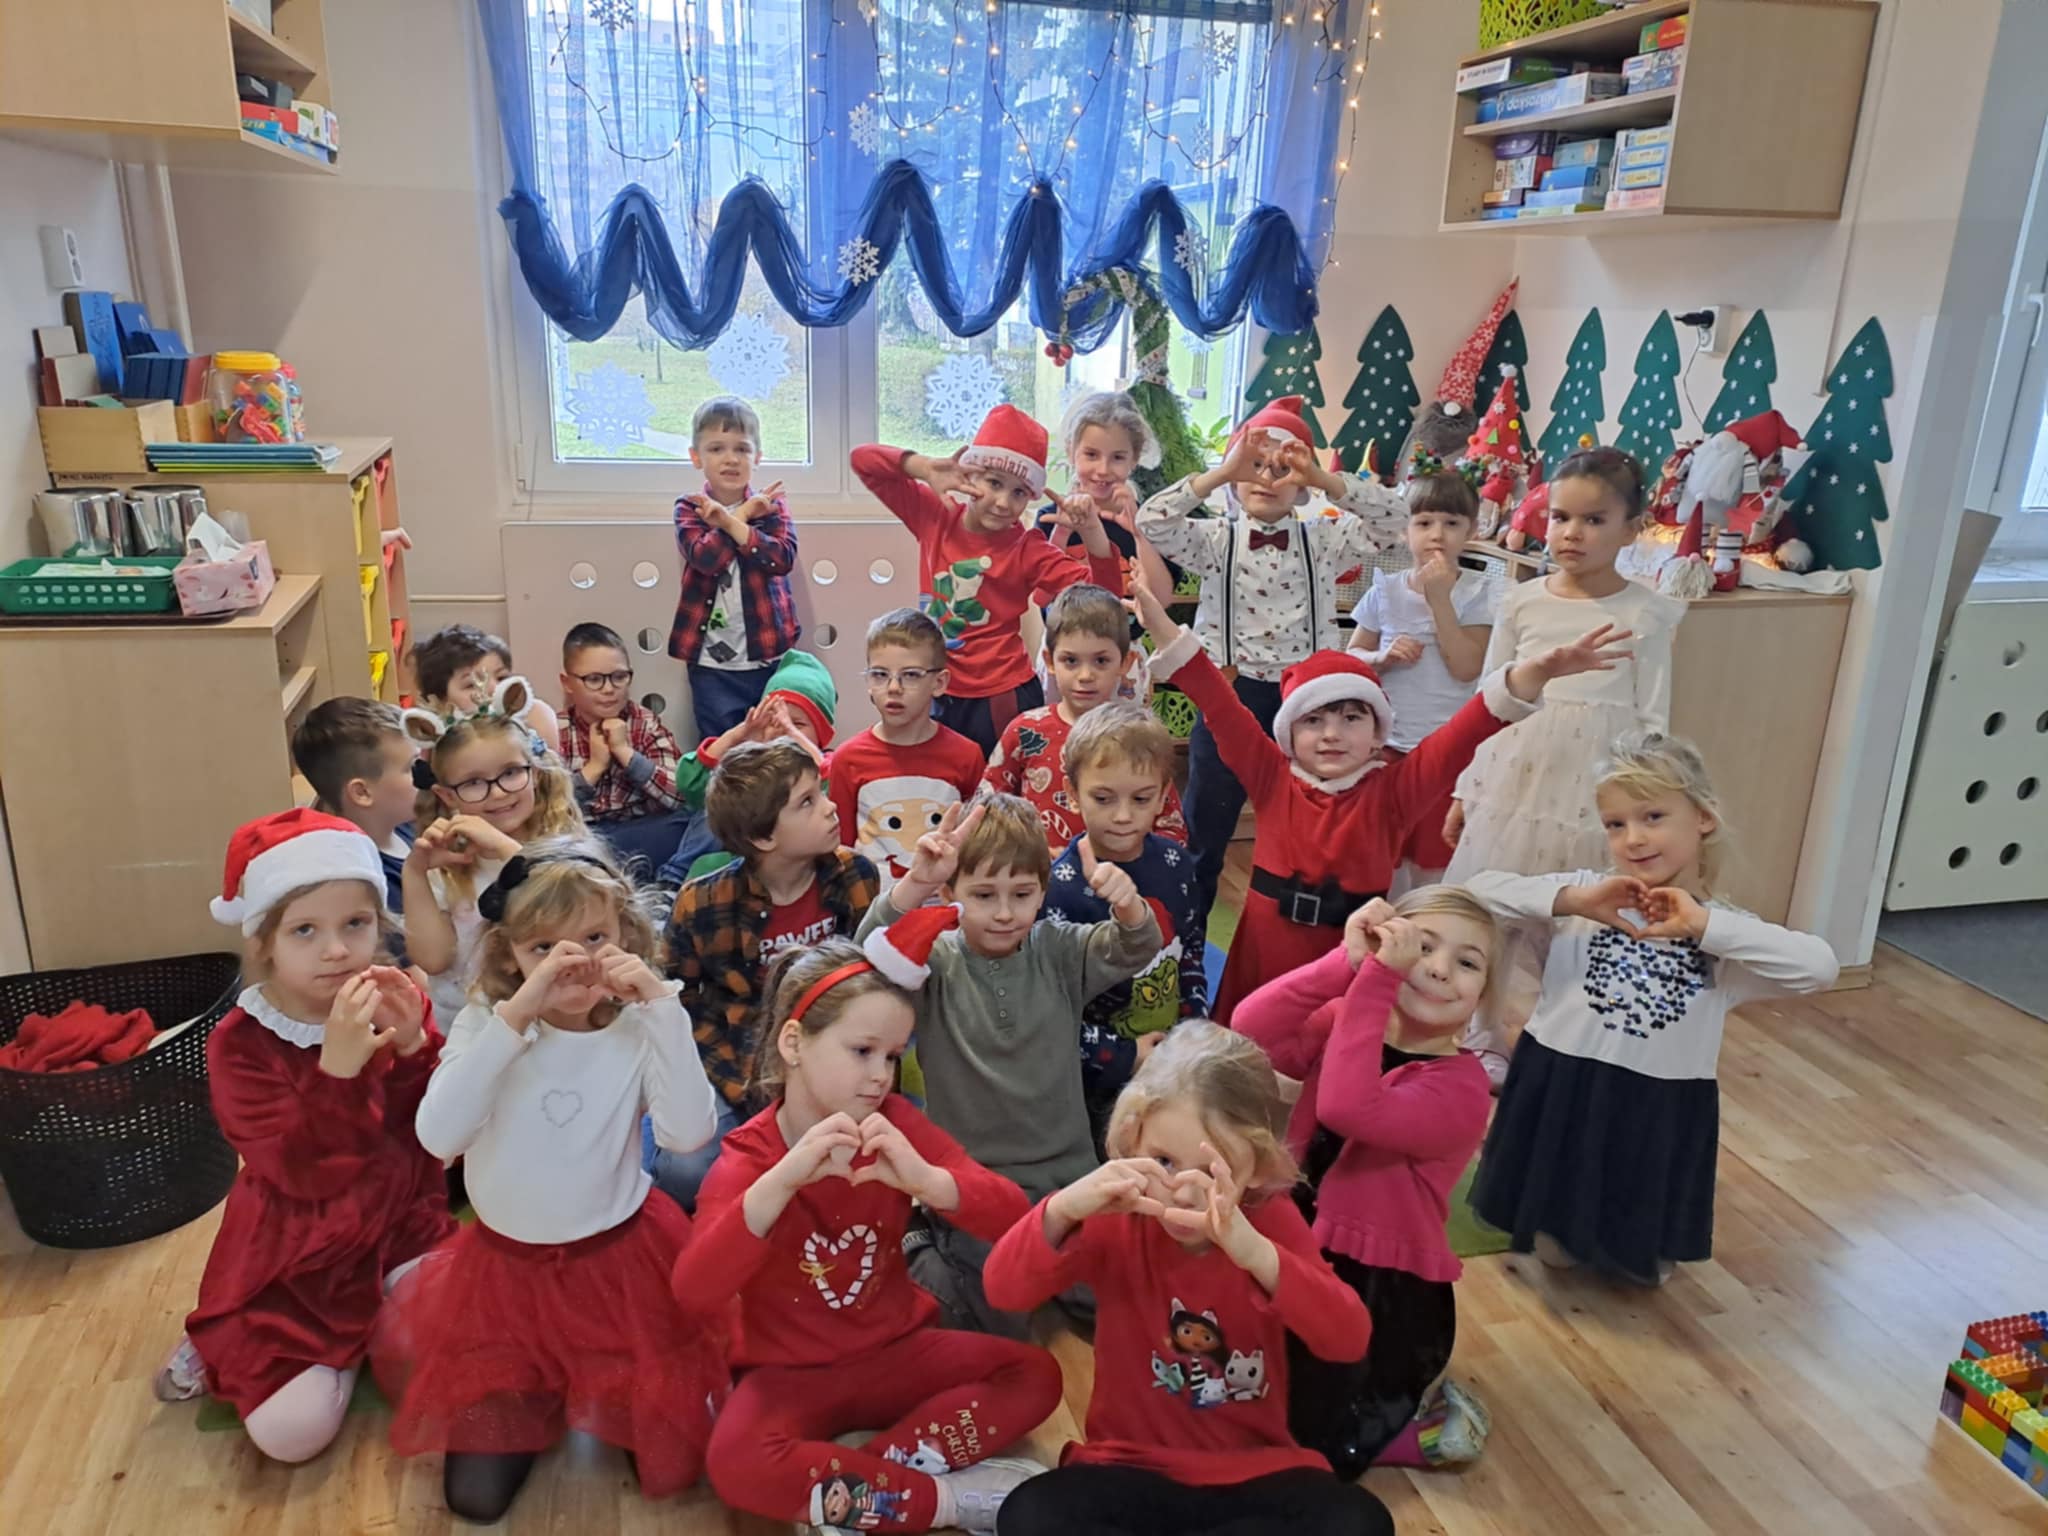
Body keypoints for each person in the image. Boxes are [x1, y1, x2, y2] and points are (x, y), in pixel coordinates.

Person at [376, 838, 724, 1521]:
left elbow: (688, 1135)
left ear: (625, 934)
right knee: (474, 1499)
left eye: (594, 937)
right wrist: (515, 1018)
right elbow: (439, 1139)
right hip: (507, 1280)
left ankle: (593, 1381)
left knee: (679, 1460)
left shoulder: (638, 1025)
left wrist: (662, 1008)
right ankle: (541, 1387)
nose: (574, 962)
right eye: (544, 948)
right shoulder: (487, 1023)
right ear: (511, 955)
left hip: (621, 1268)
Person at [671, 938, 1062, 1535]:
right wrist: (780, 1184)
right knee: (735, 1464)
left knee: (1037, 1375)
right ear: (794, 1043)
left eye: (893, 1056)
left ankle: (864, 1489)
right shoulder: (747, 1161)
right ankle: (944, 1501)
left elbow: (1015, 1219)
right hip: (787, 1375)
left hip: (896, 1350)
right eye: (862, 1051)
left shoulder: (896, 1123)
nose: (881, 1075)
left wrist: (930, 1182)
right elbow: (694, 1291)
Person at [1129, 565, 1629, 1022]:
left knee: (1332, 1063)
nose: (1332, 734)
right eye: (1313, 720)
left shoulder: (1396, 791)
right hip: (1264, 954)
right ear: (1289, 734)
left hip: (1350, 957)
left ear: (1376, 734)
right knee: (1246, 1054)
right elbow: (1216, 699)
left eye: (1351, 718)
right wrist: (1160, 622)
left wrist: (1537, 671)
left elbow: (1471, 726)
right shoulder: (1270, 777)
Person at [982, 1022, 1395, 1536]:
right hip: (1128, 1469)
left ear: (1257, 1168)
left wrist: (1256, 1254)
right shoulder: (1119, 1215)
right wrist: (1063, 1208)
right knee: (1030, 1515)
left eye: (1213, 1171)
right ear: (1132, 1138)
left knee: (1360, 1523)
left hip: (1256, 1473)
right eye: (1163, 1161)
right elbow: (1003, 1289)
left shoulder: (1270, 1221)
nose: (1183, 1191)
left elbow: (1349, 1339)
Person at [1465, 732, 1839, 1286]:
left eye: (1653, 817)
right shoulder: (1586, 894)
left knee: (1639, 1263)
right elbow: (1476, 892)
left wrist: (1704, 925)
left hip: (1656, 1102)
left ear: (1703, 818)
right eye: (1616, 824)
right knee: (1554, 1250)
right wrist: (1574, 901)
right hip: (1562, 1084)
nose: (1634, 838)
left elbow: (1820, 967)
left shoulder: (1725, 932)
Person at [156, 810, 452, 1470]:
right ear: (264, 942)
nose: (336, 950)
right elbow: (304, 1172)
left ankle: (373, 1326)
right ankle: (280, 1345)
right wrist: (338, 1073)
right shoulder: (241, 1042)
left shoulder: (393, 996)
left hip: (401, 1221)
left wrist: (416, 1050)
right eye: (305, 930)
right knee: (291, 1435)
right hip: (300, 1253)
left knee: (464, 1342)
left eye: (356, 924)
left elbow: (434, 1134)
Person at [857, 795, 1162, 1336]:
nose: (1004, 913)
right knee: (998, 1317)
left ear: (1043, 892)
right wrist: (915, 885)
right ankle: (923, 1239)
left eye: (1022, 895)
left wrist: (1128, 904)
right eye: (983, 895)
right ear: (951, 893)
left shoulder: (1058, 950)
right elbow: (865, 964)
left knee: (1123, 1303)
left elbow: (1135, 946)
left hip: (1070, 1176)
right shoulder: (933, 961)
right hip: (975, 1184)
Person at [1234, 888, 1501, 1478]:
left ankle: (1407, 1435)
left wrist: (1375, 983)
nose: (1438, 968)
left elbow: (1346, 1107)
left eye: (1467, 962)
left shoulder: (1461, 1088)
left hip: (1375, 1281)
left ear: (1484, 996)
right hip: (1297, 1237)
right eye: (1421, 946)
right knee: (1257, 1378)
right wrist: (1345, 963)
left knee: (1321, 1426)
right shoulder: (1350, 1020)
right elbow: (1251, 1027)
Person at [1443, 447, 1688, 1083]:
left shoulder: (1646, 613)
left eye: (1593, 520)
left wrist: (1646, 817)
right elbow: (1490, 701)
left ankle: (1561, 1042)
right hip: (1515, 782)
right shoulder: (1522, 602)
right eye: (1560, 517)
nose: (1571, 533)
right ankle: (1482, 1035)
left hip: (1595, 793)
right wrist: (1467, 789)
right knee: (1493, 912)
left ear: (1631, 530)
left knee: (1577, 921)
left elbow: (1654, 720)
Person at [1136, 394, 1407, 932]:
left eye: (1282, 469)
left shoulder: (1324, 538)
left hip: (1304, 703)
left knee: (1312, 819)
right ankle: (1189, 938)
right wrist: (1220, 473)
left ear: (1302, 483)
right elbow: (1152, 519)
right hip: (1230, 698)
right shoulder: (1214, 539)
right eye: (1254, 465)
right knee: (1206, 826)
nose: (1265, 478)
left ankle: (1304, 935)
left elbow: (1394, 519)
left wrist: (1325, 480)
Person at [663, 739, 879, 1206]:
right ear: (763, 839)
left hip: (834, 1052)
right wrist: (744, 1084)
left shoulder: (856, 876)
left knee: (870, 1157)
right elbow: (683, 1005)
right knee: (685, 1170)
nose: (830, 808)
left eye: (821, 792)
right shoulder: (702, 903)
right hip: (739, 1059)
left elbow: (872, 987)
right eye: (807, 802)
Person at [851, 404, 1125, 756]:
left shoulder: (1027, 549)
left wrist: (1091, 531)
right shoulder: (936, 515)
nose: (1003, 502)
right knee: (945, 778)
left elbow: (1106, 597)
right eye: (994, 483)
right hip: (939, 687)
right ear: (970, 476)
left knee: (1001, 783)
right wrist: (924, 467)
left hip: (1000, 696)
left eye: (1019, 492)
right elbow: (863, 460)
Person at [1040, 702, 1206, 1153]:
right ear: (1072, 793)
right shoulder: (1059, 888)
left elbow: (1191, 948)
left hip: (1171, 1059)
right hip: (1094, 1081)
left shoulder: (1175, 865)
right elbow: (1048, 1005)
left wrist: (1191, 1028)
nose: (1122, 816)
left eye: (1141, 799)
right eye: (1103, 798)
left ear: (1164, 794)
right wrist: (1122, 1056)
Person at [1347, 472, 1500, 890]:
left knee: (1435, 859)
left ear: (1472, 529)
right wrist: (1381, 658)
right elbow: (1351, 660)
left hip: (1448, 750)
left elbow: (1466, 667)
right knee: (1383, 851)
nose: (1437, 534)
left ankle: (1430, 923)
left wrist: (1440, 600)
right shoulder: (1385, 591)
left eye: (1451, 523)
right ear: (1405, 529)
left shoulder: (1480, 593)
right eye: (1424, 522)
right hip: (1387, 746)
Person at [401, 680, 584, 1025]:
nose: (498, 792)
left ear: (535, 773)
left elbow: (565, 915)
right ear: (447, 796)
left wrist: (505, 850)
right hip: (470, 1030)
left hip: (554, 1023)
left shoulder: (566, 846)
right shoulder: (448, 865)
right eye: (473, 783)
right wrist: (415, 874)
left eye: (511, 773)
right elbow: (434, 960)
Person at [984, 583, 1188, 852]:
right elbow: (987, 808)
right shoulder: (1025, 731)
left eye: (1100, 661)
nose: (1085, 676)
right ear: (1050, 661)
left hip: (1121, 876)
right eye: (1071, 661)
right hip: (1038, 874)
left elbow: (1172, 827)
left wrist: (1143, 865)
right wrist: (1019, 854)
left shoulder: (1140, 737)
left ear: (1125, 663)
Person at [668, 396, 802, 742]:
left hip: (768, 657)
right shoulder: (690, 508)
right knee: (721, 745)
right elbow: (705, 558)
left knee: (772, 744)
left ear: (757, 457)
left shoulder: (771, 506)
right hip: (712, 666)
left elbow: (782, 558)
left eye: (742, 449)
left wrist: (732, 521)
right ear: (696, 457)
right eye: (716, 449)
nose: (730, 459)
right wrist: (741, 516)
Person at [828, 607, 987, 892]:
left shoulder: (967, 756)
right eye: (880, 674)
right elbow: (841, 850)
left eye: (911, 675)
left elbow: (975, 843)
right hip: (873, 908)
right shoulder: (848, 759)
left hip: (945, 904)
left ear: (939, 683)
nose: (893, 687)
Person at [1034, 390, 1179, 690]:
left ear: (1134, 459)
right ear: (1071, 451)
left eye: (1117, 458)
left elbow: (1162, 599)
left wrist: (1139, 532)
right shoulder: (1051, 518)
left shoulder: (1148, 520)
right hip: (1062, 656)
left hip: (1124, 657)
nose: (1102, 470)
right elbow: (1041, 595)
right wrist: (1062, 532)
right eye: (1091, 454)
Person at [557, 621, 691, 870]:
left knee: (701, 819)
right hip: (585, 837)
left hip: (642, 832)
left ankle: (667, 879)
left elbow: (679, 797)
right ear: (567, 683)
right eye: (594, 679)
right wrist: (594, 767)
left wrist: (625, 753)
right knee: (558, 846)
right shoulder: (557, 730)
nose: (609, 689)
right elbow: (549, 813)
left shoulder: (644, 722)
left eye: (619, 677)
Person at [291, 697, 418, 915]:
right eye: (412, 767)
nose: (427, 773)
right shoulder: (367, 883)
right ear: (362, 793)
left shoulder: (404, 825)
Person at [412, 623, 562, 757]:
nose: (494, 690)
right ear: (439, 701)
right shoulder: (435, 746)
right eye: (471, 684)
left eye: (501, 678)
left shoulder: (535, 717)